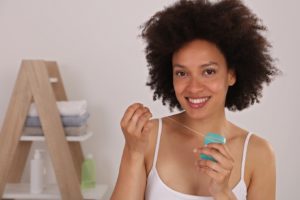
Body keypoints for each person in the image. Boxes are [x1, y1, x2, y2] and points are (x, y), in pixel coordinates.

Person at [111, 0, 279, 199]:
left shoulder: (258, 153)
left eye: (208, 71)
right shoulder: (148, 137)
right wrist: (134, 152)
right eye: (182, 73)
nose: (194, 87)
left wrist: (223, 192)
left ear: (231, 75)